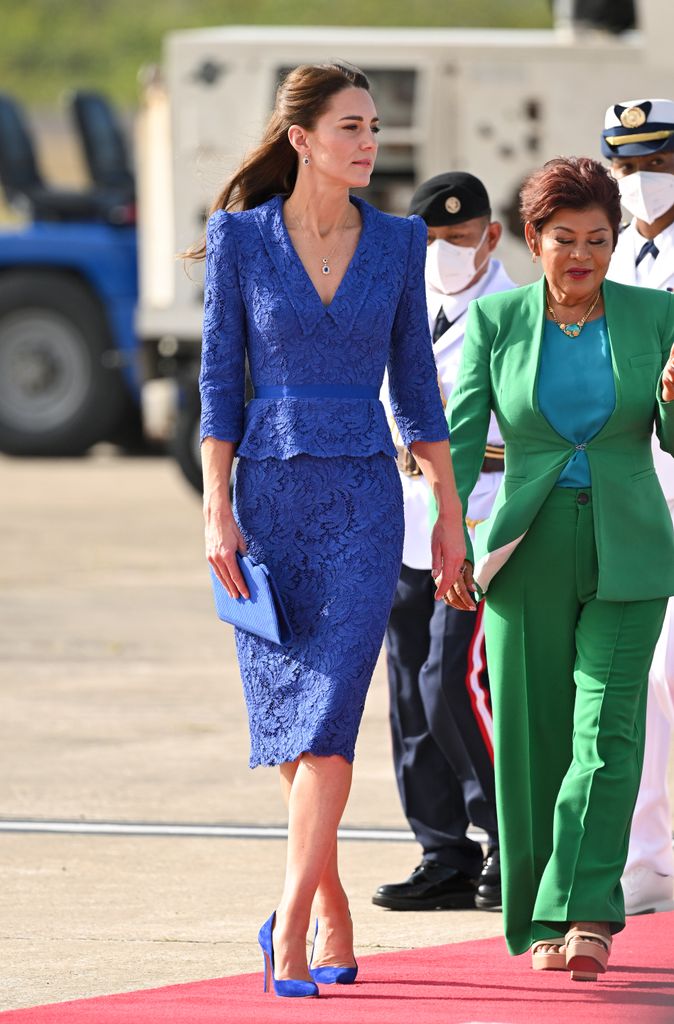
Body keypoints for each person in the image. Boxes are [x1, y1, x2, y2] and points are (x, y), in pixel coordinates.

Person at [193, 62, 465, 999]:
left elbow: (419, 388)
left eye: (376, 127)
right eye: (350, 126)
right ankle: (333, 904)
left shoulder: (398, 241)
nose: (369, 142)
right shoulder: (236, 239)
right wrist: (215, 505)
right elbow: (219, 385)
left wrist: (449, 515)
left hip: (362, 497)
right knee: (293, 723)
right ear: (301, 138)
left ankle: (293, 927)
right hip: (264, 502)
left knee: (332, 721)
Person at [445, 155, 674, 982]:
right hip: (524, 545)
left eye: (600, 240)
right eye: (565, 238)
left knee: (607, 734)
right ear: (534, 238)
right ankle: (538, 915)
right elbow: (464, 438)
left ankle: (583, 911)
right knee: (534, 739)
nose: (584, 255)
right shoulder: (499, 321)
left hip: (631, 544)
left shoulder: (658, 315)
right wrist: (452, 538)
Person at [374, 173, 514, 914]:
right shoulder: (404, 305)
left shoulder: (518, 308)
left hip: (484, 514)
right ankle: (443, 850)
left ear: (492, 236)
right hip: (403, 517)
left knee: (451, 681)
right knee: (406, 690)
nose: (445, 254)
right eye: (429, 241)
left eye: (459, 240)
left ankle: (508, 839)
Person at [601, 97, 674, 916]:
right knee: (641, 677)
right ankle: (647, 855)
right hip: (633, 489)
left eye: (656, 164)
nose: (641, 182)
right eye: (629, 166)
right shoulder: (615, 257)